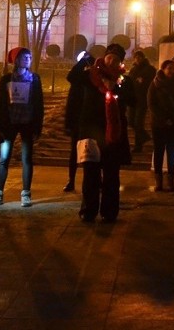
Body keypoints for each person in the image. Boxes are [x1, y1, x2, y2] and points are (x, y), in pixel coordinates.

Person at [70, 43, 134, 223]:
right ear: (104, 58)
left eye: (116, 59)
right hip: (90, 131)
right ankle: (88, 210)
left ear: (120, 62)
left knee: (111, 175)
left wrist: (120, 88)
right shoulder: (91, 76)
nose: (111, 60)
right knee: (90, 175)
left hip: (112, 135)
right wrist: (84, 60)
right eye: (109, 57)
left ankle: (109, 211)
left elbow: (133, 100)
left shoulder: (122, 81)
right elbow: (72, 77)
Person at [0, 47, 44, 208]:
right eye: (24, 57)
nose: (28, 59)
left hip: (27, 123)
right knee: (4, 158)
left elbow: (39, 104)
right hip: (9, 124)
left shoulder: (34, 79)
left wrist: (37, 127)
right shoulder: (6, 79)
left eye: (29, 57)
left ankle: (26, 193)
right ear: (16, 60)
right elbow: (0, 104)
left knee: (27, 159)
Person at [147, 59, 174, 192]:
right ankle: (158, 182)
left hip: (173, 124)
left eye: (173, 68)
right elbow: (151, 104)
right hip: (158, 124)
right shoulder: (155, 84)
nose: (171, 70)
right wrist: (163, 119)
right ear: (163, 69)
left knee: (171, 152)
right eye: (169, 68)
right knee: (158, 151)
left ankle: (170, 181)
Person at [63, 51, 94, 192]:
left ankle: (93, 180)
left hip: (90, 121)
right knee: (74, 152)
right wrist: (82, 62)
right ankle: (71, 180)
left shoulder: (93, 80)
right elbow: (71, 76)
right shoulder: (78, 80)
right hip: (77, 120)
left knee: (92, 152)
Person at [128, 50, 156, 153]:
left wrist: (141, 81)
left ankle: (138, 146)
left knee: (138, 122)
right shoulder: (133, 69)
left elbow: (150, 82)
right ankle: (144, 137)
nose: (137, 59)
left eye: (139, 57)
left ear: (143, 58)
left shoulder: (149, 69)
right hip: (132, 99)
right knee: (131, 121)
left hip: (142, 99)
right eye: (136, 57)